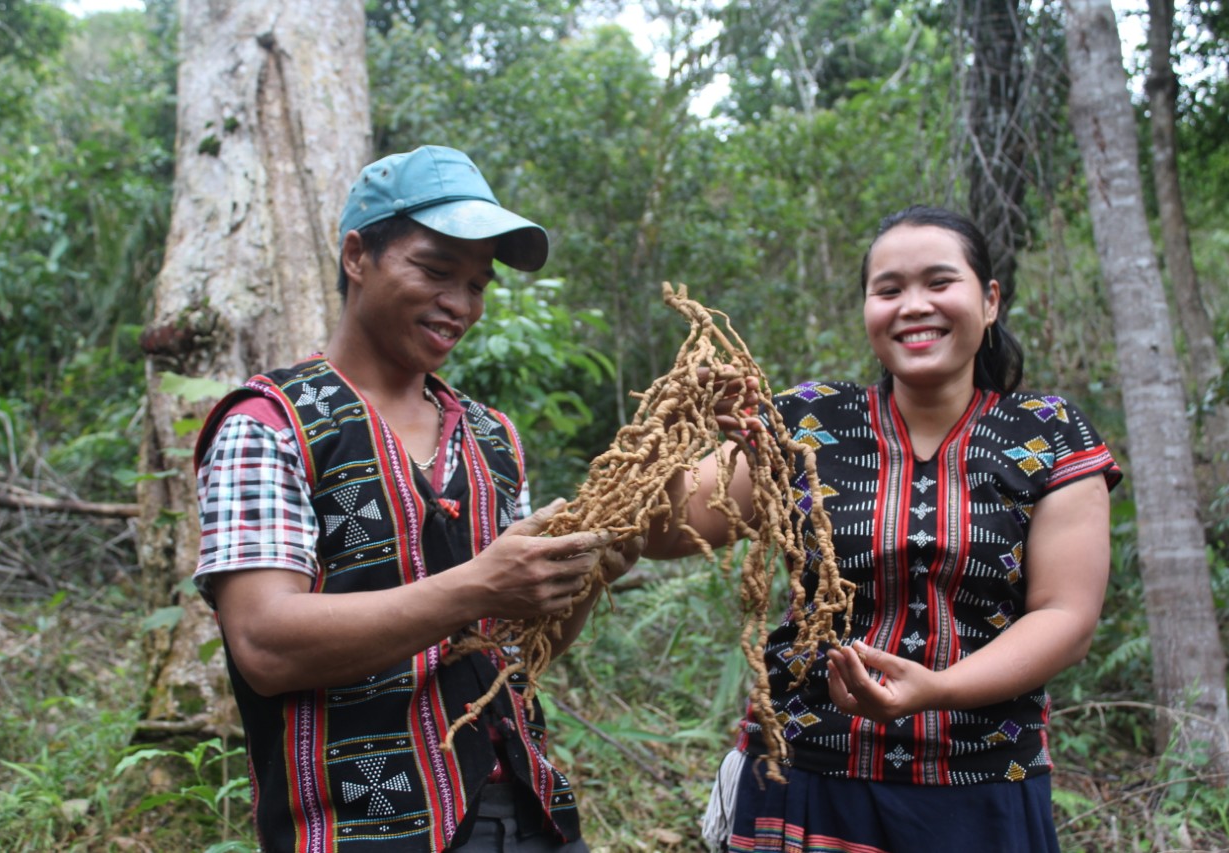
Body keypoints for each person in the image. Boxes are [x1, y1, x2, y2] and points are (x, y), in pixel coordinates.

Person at [193, 145, 634, 852]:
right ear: (357, 256)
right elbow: (264, 643)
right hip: (362, 828)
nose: (459, 304)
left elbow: (512, 650)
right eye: (434, 270)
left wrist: (583, 577)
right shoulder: (269, 426)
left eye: (477, 283)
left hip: (527, 814)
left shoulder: (492, 438)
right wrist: (479, 582)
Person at [645, 205, 1122, 852]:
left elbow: (1067, 617)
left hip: (981, 789)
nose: (913, 305)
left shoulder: (1049, 432)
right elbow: (662, 528)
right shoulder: (807, 421)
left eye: (939, 282)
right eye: (889, 289)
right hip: (806, 779)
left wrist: (938, 690)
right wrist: (681, 426)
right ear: (868, 309)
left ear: (989, 301)